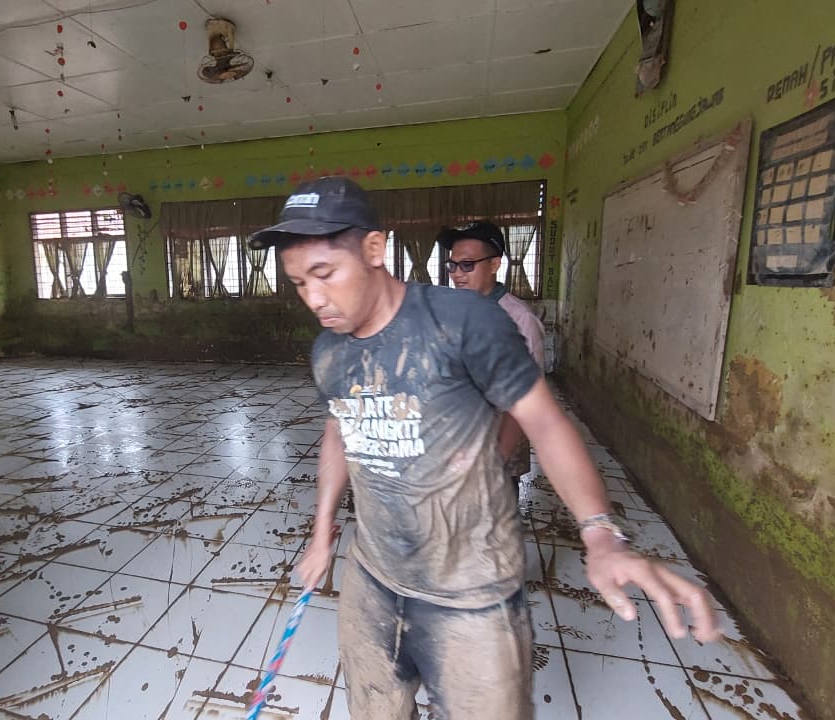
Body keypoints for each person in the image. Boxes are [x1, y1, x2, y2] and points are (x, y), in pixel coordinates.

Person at [249, 177, 719, 720]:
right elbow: (339, 430)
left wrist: (599, 533)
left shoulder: (463, 321)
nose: (313, 298)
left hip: (472, 593)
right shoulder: (329, 351)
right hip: (373, 579)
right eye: (299, 282)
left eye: (325, 274)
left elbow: (544, 420)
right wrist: (321, 534)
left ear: (375, 249)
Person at [438, 221, 545, 496]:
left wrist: (497, 460)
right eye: (452, 265)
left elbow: (525, 401)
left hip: (498, 450)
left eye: (467, 265)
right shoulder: (452, 310)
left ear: (494, 264)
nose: (457, 274)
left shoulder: (519, 319)